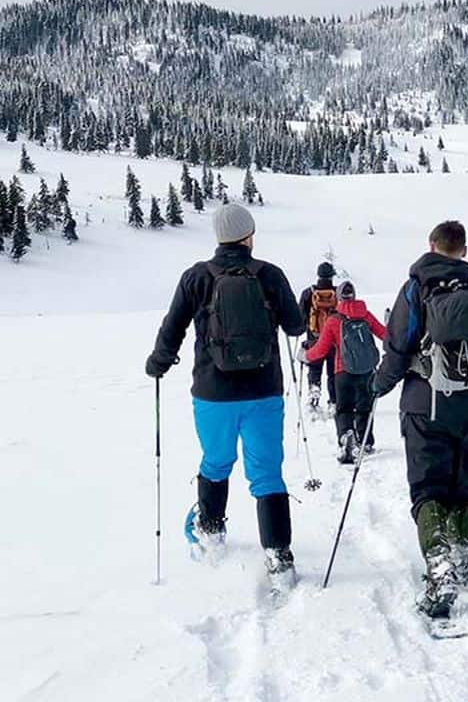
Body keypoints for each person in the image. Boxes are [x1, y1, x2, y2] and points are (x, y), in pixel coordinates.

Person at [371, 220, 468, 619]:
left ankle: (439, 563)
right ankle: (461, 550)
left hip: (426, 402)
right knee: (464, 476)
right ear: (463, 249)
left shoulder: (416, 289)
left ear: (432, 246)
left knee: (427, 485)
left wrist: (378, 386)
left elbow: (397, 346)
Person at [145, 203, 306, 590]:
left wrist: (158, 363)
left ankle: (211, 532)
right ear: (249, 236)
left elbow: (173, 328)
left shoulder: (196, 277)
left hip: (212, 393)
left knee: (216, 462)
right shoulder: (269, 274)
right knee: (267, 473)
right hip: (263, 392)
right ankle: (279, 557)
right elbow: (296, 327)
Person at [302, 281, 387, 463]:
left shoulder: (334, 320)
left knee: (343, 409)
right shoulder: (366, 315)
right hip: (367, 370)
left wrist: (306, 355)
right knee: (364, 407)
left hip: (343, 371)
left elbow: (321, 350)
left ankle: (346, 438)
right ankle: (366, 442)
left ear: (339, 298)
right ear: (354, 296)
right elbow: (384, 334)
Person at [299, 262, 338, 415]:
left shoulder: (308, 293)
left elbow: (300, 318)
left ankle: (314, 391)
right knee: (332, 372)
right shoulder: (337, 292)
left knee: (315, 369)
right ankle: (334, 401)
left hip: (314, 339)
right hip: (334, 341)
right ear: (332, 276)